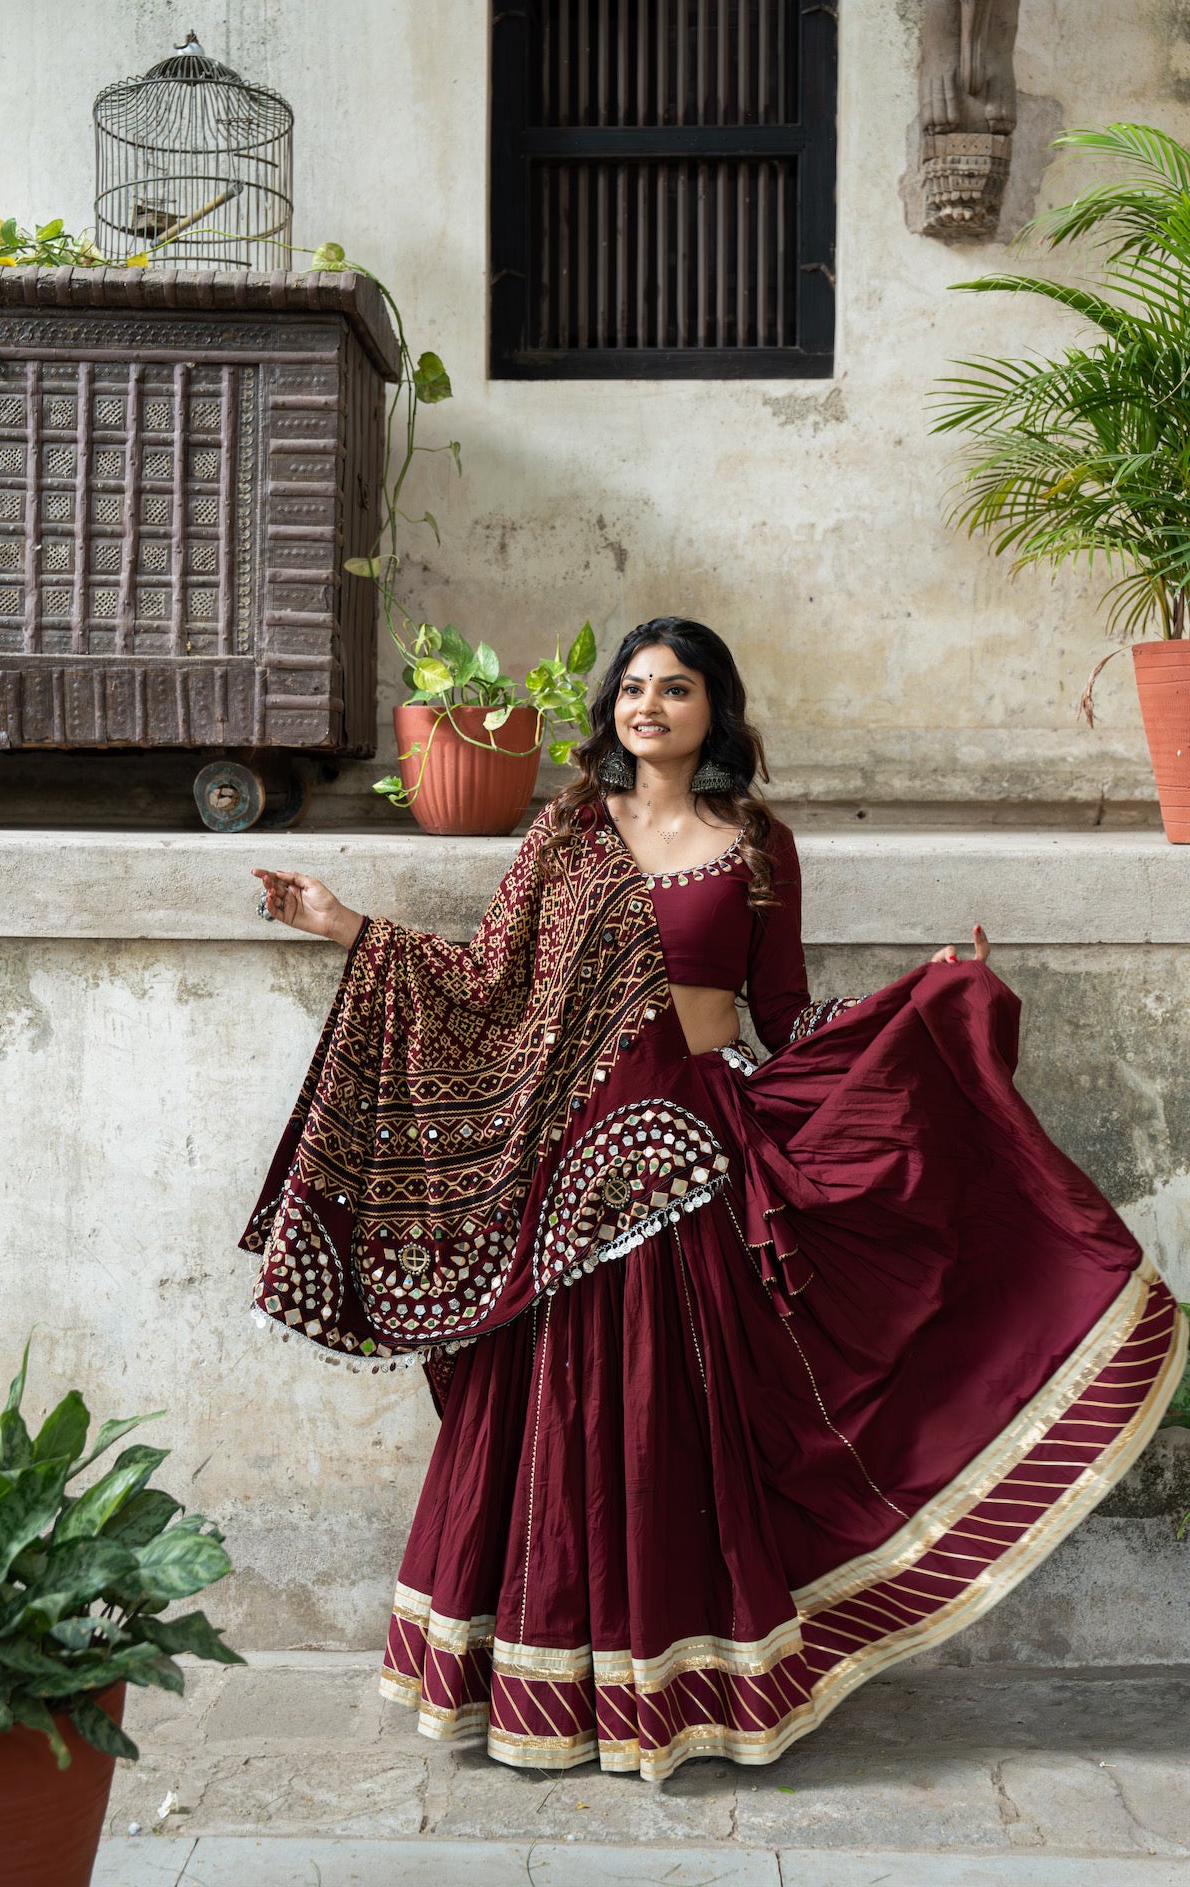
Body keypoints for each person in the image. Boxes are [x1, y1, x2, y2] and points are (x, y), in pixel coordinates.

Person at [243, 616, 1185, 1782]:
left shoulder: (756, 844)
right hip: (572, 1173)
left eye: (675, 689)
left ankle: (679, 1691)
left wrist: (925, 996)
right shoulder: (567, 836)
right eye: (633, 689)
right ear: (614, 712)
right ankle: (534, 1685)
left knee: (669, 1423)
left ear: (713, 711)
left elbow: (782, 1014)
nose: (650, 706)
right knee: (549, 1423)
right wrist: (344, 926)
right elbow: (491, 984)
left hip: (695, 1151)